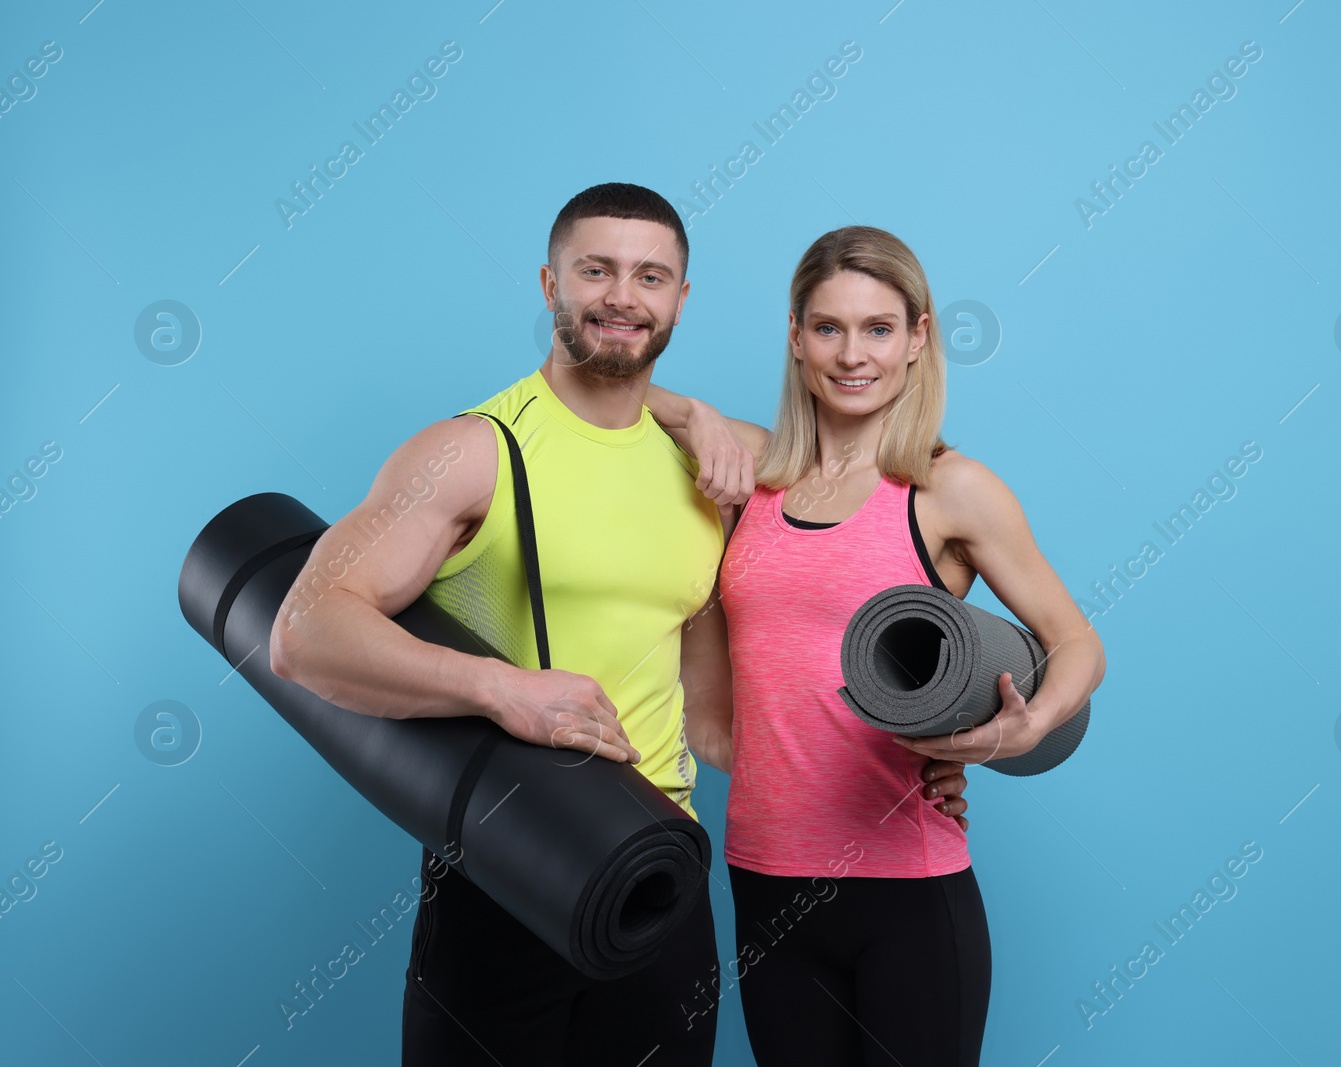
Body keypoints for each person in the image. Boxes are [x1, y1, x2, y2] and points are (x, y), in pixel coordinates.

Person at [266, 185, 969, 1066]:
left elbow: (724, 709)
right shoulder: (473, 450)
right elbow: (304, 631)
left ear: (681, 298)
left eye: (650, 276)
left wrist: (913, 755)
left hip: (659, 877)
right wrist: (500, 688)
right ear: (550, 282)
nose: (620, 296)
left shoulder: (715, 465)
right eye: (594, 270)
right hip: (505, 858)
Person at [647, 225, 1106, 1066]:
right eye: (828, 328)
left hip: (909, 890)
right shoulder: (754, 472)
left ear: (919, 338)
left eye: (879, 328)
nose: (852, 354)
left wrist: (1018, 732)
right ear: (794, 338)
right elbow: (620, 392)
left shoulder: (948, 489)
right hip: (765, 880)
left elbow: (1077, 642)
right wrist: (695, 412)